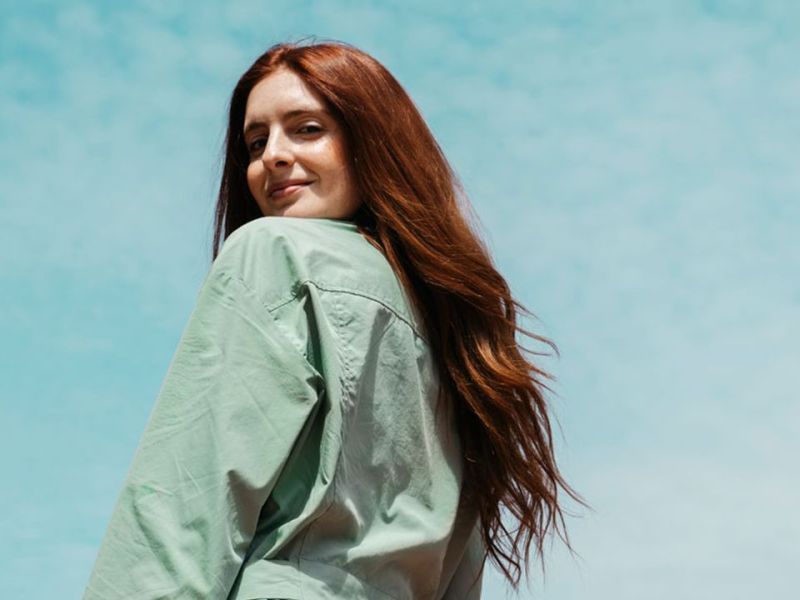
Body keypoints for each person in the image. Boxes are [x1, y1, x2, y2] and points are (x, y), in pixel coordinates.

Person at [82, 39, 586, 599]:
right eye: (255, 141)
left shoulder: (273, 255)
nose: (271, 155)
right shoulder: (459, 340)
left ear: (372, 142)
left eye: (306, 129)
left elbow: (186, 501)